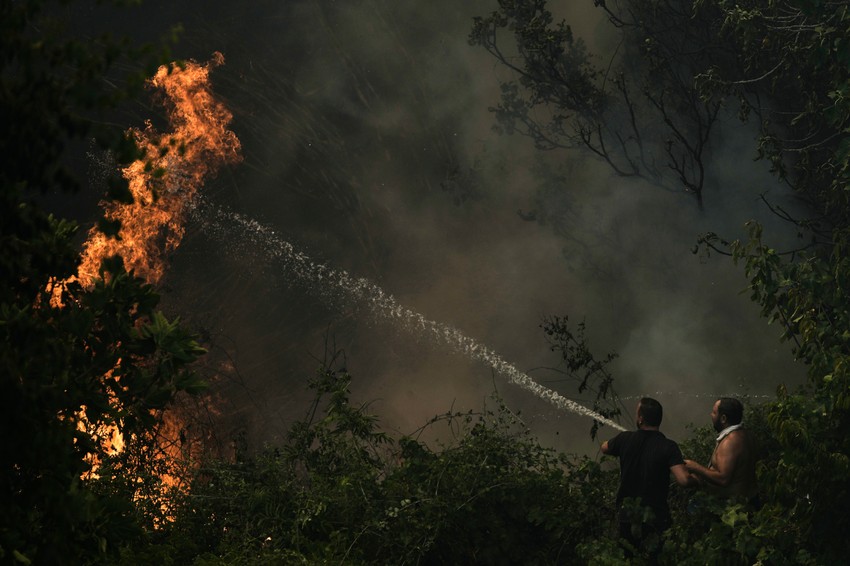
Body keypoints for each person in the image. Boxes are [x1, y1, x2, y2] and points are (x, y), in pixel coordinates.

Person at [601, 397, 696, 557]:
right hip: (657, 519)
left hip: (628, 517)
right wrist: (698, 480)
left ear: (641, 418)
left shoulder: (625, 439)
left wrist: (620, 441)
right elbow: (684, 480)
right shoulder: (668, 446)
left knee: (628, 558)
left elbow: (604, 447)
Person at [684, 397, 758, 500]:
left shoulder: (730, 442)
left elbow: (723, 479)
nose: (711, 415)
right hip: (746, 501)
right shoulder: (745, 434)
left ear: (723, 418)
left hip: (734, 507)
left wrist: (695, 467)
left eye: (714, 413)